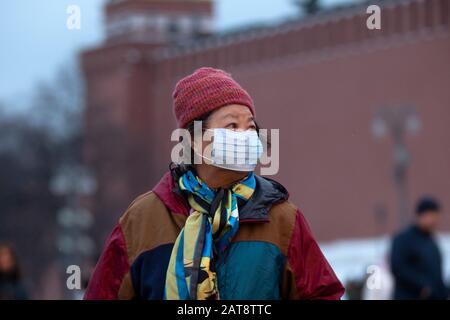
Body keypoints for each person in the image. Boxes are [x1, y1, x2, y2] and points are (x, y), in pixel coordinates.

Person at [84, 67, 344, 300]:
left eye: (250, 127)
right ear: (195, 139)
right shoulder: (143, 220)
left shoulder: (281, 219)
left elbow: (323, 294)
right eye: (232, 125)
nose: (245, 136)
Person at [390, 196, 448, 300]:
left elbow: (436, 274)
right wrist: (423, 286)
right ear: (422, 215)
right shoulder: (403, 239)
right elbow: (398, 268)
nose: (435, 221)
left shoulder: (431, 242)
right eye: (432, 216)